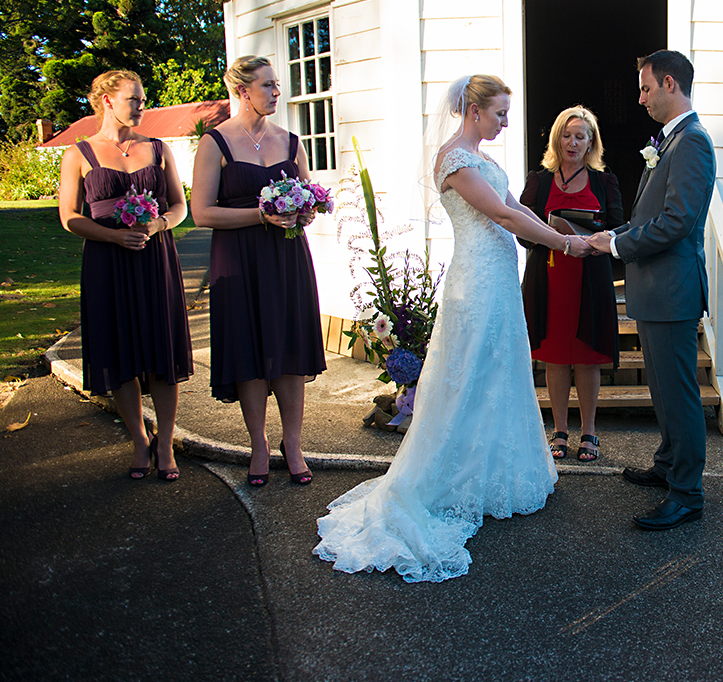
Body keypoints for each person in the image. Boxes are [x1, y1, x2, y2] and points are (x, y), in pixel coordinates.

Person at [314, 74, 589, 581]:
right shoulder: (455, 159)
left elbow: (519, 206)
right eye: (500, 113)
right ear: (473, 108)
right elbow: (503, 216)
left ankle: (494, 476)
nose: (506, 122)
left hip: (500, 279)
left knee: (500, 372)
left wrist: (558, 228)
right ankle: (452, 481)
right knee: (469, 377)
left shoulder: (483, 158)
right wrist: (563, 245)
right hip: (477, 282)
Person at [588, 50, 716, 531]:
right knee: (662, 387)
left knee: (678, 392)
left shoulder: (692, 143)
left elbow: (678, 222)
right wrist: (612, 235)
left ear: (668, 83)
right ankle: (668, 465)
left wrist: (618, 243)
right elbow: (651, 215)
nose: (639, 99)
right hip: (657, 288)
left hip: (672, 290)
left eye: (644, 89)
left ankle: (687, 493)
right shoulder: (671, 141)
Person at [191, 55, 326, 487]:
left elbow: (309, 200)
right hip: (239, 258)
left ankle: (294, 443)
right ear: (242, 90)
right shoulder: (215, 142)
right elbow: (201, 213)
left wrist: (304, 213)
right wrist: (261, 215)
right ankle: (258, 445)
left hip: (286, 257)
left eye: (276, 85)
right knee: (249, 348)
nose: (275, 92)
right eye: (267, 85)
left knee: (288, 347)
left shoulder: (291, 141)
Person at [58, 70, 192, 482]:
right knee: (121, 354)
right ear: (107, 101)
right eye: (134, 98)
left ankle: (165, 441)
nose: (141, 106)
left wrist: (155, 227)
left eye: (142, 98)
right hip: (107, 265)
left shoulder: (159, 148)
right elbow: (69, 217)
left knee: (161, 353)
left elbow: (179, 206)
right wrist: (113, 237)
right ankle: (139, 438)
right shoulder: (78, 154)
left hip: (155, 261)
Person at [519, 106, 623, 462]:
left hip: (589, 277)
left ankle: (589, 432)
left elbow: (619, 227)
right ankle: (560, 430)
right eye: (566, 135)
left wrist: (594, 236)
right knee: (555, 357)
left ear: (591, 141)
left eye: (580, 136)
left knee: (586, 357)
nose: (572, 142)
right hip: (548, 278)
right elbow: (521, 227)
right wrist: (550, 234)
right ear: (556, 138)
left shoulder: (604, 180)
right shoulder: (540, 180)